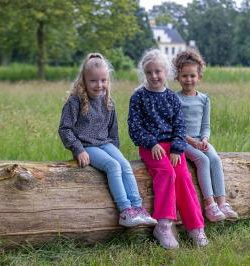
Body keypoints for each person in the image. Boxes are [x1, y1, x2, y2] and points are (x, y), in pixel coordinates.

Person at [58, 53, 156, 228]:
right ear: (84, 81)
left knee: (124, 164)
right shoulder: (75, 102)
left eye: (103, 80)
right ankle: (125, 211)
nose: (99, 85)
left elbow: (113, 131)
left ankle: (138, 207)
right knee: (113, 166)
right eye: (93, 81)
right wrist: (78, 149)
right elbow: (65, 129)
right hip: (87, 146)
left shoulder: (108, 102)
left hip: (105, 144)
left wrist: (116, 151)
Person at [128, 49, 209, 249]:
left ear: (166, 72)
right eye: (149, 73)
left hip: (172, 147)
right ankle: (163, 224)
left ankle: (196, 227)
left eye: (158, 71)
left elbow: (180, 126)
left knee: (182, 176)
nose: (154, 76)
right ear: (144, 74)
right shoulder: (138, 97)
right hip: (151, 147)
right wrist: (151, 143)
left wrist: (177, 147)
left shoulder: (172, 98)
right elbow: (134, 128)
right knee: (166, 173)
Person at [173, 49, 238, 222]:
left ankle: (222, 203)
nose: (188, 80)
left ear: (199, 77)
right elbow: (175, 128)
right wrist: (193, 142)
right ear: (178, 77)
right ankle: (210, 205)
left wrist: (204, 139)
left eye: (192, 76)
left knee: (215, 159)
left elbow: (206, 125)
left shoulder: (204, 99)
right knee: (203, 160)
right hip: (183, 140)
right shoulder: (174, 99)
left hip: (200, 140)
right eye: (184, 76)